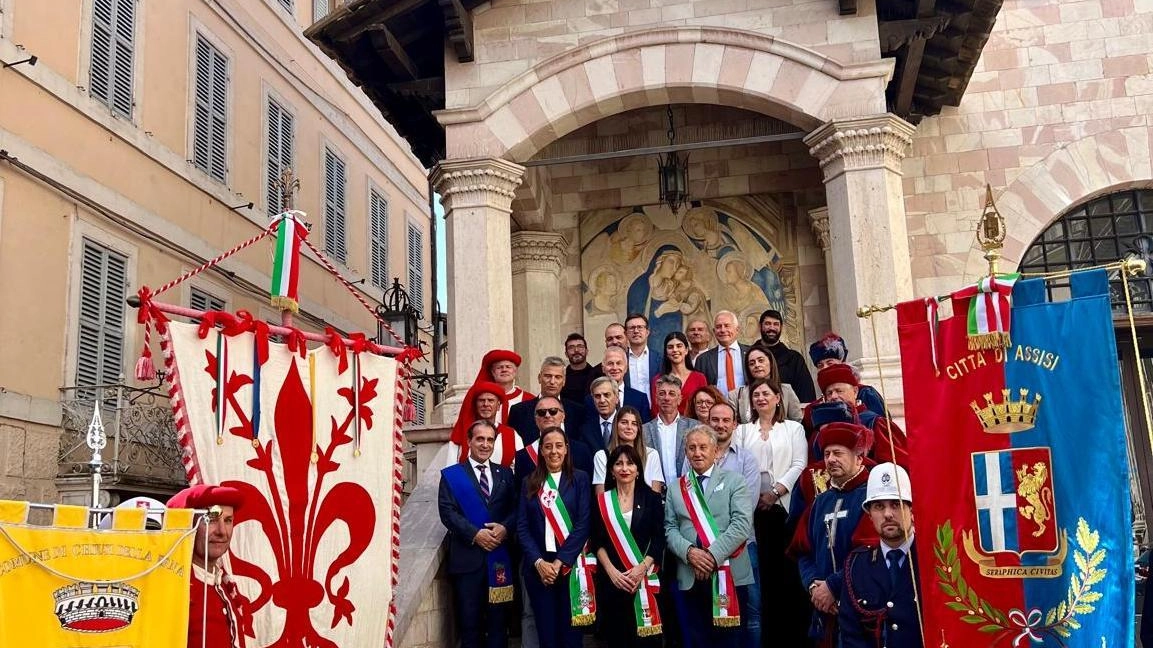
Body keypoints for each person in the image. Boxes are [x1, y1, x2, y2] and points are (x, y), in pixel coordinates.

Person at [733, 378, 809, 645]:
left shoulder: (793, 429)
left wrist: (776, 491)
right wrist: (757, 497)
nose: (761, 398)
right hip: (753, 513)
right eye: (756, 395)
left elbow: (800, 463)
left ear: (778, 398)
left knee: (785, 575)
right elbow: (739, 465)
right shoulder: (742, 431)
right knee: (761, 577)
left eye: (766, 393)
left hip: (784, 509)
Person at [789, 422, 878, 648]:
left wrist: (832, 586)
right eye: (827, 454)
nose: (830, 460)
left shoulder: (873, 498)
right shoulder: (821, 501)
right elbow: (803, 551)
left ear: (859, 457)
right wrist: (814, 586)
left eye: (838, 453)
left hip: (861, 610)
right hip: (824, 612)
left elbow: (868, 551)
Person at [664, 426, 752, 648]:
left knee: (730, 641)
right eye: (692, 448)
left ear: (715, 451)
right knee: (696, 639)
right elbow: (670, 528)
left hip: (729, 573)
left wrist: (711, 556)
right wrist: (690, 553)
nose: (697, 453)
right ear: (686, 452)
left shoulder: (735, 481)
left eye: (703, 447)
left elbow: (741, 525)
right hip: (690, 573)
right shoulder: (676, 488)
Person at [439, 420, 518, 648]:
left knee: (498, 625)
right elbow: (447, 512)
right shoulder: (452, 475)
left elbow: (516, 508)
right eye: (480, 439)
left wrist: (505, 528)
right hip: (467, 562)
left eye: (490, 440)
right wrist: (476, 534)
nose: (485, 444)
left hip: (499, 562)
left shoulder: (505, 474)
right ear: (469, 441)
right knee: (470, 626)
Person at [517, 427, 593, 648]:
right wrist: (539, 562)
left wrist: (560, 562)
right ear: (541, 450)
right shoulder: (529, 482)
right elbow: (522, 527)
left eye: (559, 446)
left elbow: (583, 524)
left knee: (571, 636)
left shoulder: (580, 479)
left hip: (570, 566)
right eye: (548, 446)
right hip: (539, 568)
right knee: (546, 635)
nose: (554, 451)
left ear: (567, 449)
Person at [840, 462, 922, 648]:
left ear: (912, 510)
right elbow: (851, 634)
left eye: (896, 504)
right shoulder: (856, 565)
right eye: (878, 506)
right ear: (869, 514)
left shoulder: (933, 560)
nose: (887, 514)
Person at [592, 445, 666, 646]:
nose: (625, 468)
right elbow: (597, 540)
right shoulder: (602, 501)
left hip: (644, 578)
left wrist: (642, 568)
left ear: (638, 469)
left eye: (630, 463)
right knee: (617, 637)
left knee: (646, 639)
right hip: (613, 581)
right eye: (619, 463)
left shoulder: (651, 498)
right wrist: (611, 572)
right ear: (611, 470)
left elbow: (659, 538)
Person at [168, 483, 252, 648]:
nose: (222, 531)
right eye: (211, 520)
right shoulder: (175, 587)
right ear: (188, 525)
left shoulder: (225, 584)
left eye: (228, 520)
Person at [705, 402, 761, 648]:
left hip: (742, 546)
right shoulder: (696, 455)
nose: (720, 424)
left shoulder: (747, 459)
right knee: (714, 614)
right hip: (704, 550)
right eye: (715, 420)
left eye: (726, 420)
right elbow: (691, 500)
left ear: (735, 424)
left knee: (750, 611)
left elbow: (746, 506)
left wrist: (721, 543)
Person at [809, 364, 907, 466]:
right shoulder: (821, 428)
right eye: (829, 393)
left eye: (839, 391)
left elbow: (896, 466)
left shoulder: (875, 422)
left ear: (855, 392)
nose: (833, 396)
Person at [514, 395, 594, 483]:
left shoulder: (581, 450)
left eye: (553, 411)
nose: (547, 415)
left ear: (563, 416)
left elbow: (588, 488)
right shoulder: (523, 455)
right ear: (535, 419)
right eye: (541, 412)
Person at [509, 356, 585, 445]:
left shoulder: (578, 411)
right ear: (539, 378)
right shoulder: (519, 411)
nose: (552, 382)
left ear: (564, 381)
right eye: (548, 376)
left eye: (558, 377)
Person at [807, 333, 886, 418]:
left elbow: (879, 424)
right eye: (820, 365)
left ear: (843, 363)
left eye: (830, 363)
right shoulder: (815, 406)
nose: (825, 368)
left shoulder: (865, 393)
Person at [643, 375, 700, 488]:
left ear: (679, 399)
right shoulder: (644, 430)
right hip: (656, 495)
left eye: (672, 394)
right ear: (656, 399)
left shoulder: (695, 426)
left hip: (689, 493)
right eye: (662, 393)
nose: (666, 398)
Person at [449, 382, 524, 466]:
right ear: (475, 404)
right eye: (481, 400)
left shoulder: (512, 435)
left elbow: (521, 467)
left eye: (491, 400)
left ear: (498, 405)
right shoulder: (462, 432)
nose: (486, 404)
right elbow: (451, 468)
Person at [592, 406, 664, 494]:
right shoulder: (602, 456)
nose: (629, 427)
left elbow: (655, 495)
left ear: (639, 429)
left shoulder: (651, 454)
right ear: (615, 425)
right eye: (624, 422)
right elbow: (601, 496)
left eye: (634, 423)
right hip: (614, 507)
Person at [731, 344, 802, 424]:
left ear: (771, 363)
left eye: (761, 360)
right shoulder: (736, 395)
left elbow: (797, 422)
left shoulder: (786, 390)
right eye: (752, 363)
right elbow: (731, 425)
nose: (757, 365)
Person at [757, 310, 816, 403]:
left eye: (776, 324)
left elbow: (806, 392)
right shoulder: (748, 356)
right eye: (767, 324)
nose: (772, 328)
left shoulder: (794, 359)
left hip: (788, 414)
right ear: (760, 326)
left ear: (781, 327)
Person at [586, 347, 652, 422]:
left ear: (626, 368)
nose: (614, 367)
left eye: (619, 363)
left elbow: (645, 430)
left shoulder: (640, 399)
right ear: (603, 368)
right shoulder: (590, 400)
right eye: (610, 363)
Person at [694, 311, 750, 398]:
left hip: (747, 406)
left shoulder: (751, 353)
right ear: (714, 331)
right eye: (718, 327)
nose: (723, 330)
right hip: (716, 408)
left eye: (727, 326)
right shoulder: (703, 359)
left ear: (737, 329)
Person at [652, 331, 707, 418]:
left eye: (679, 346)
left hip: (693, 427)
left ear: (686, 350)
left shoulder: (699, 378)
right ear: (666, 353)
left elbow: (704, 406)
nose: (675, 350)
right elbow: (656, 410)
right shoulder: (658, 379)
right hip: (667, 427)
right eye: (670, 347)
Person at [473, 349, 536, 424]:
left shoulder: (529, 399)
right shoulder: (482, 400)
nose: (504, 370)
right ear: (492, 372)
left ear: (515, 372)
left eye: (508, 367)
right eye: (499, 367)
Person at [624, 313, 662, 409]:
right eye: (632, 328)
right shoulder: (621, 359)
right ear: (626, 333)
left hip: (654, 413)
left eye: (640, 327)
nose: (636, 331)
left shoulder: (659, 359)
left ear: (647, 332)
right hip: (628, 413)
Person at [562, 333, 601, 403]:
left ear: (587, 351)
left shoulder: (597, 375)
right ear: (566, 354)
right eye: (571, 347)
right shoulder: (561, 377)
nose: (576, 350)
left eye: (580, 346)